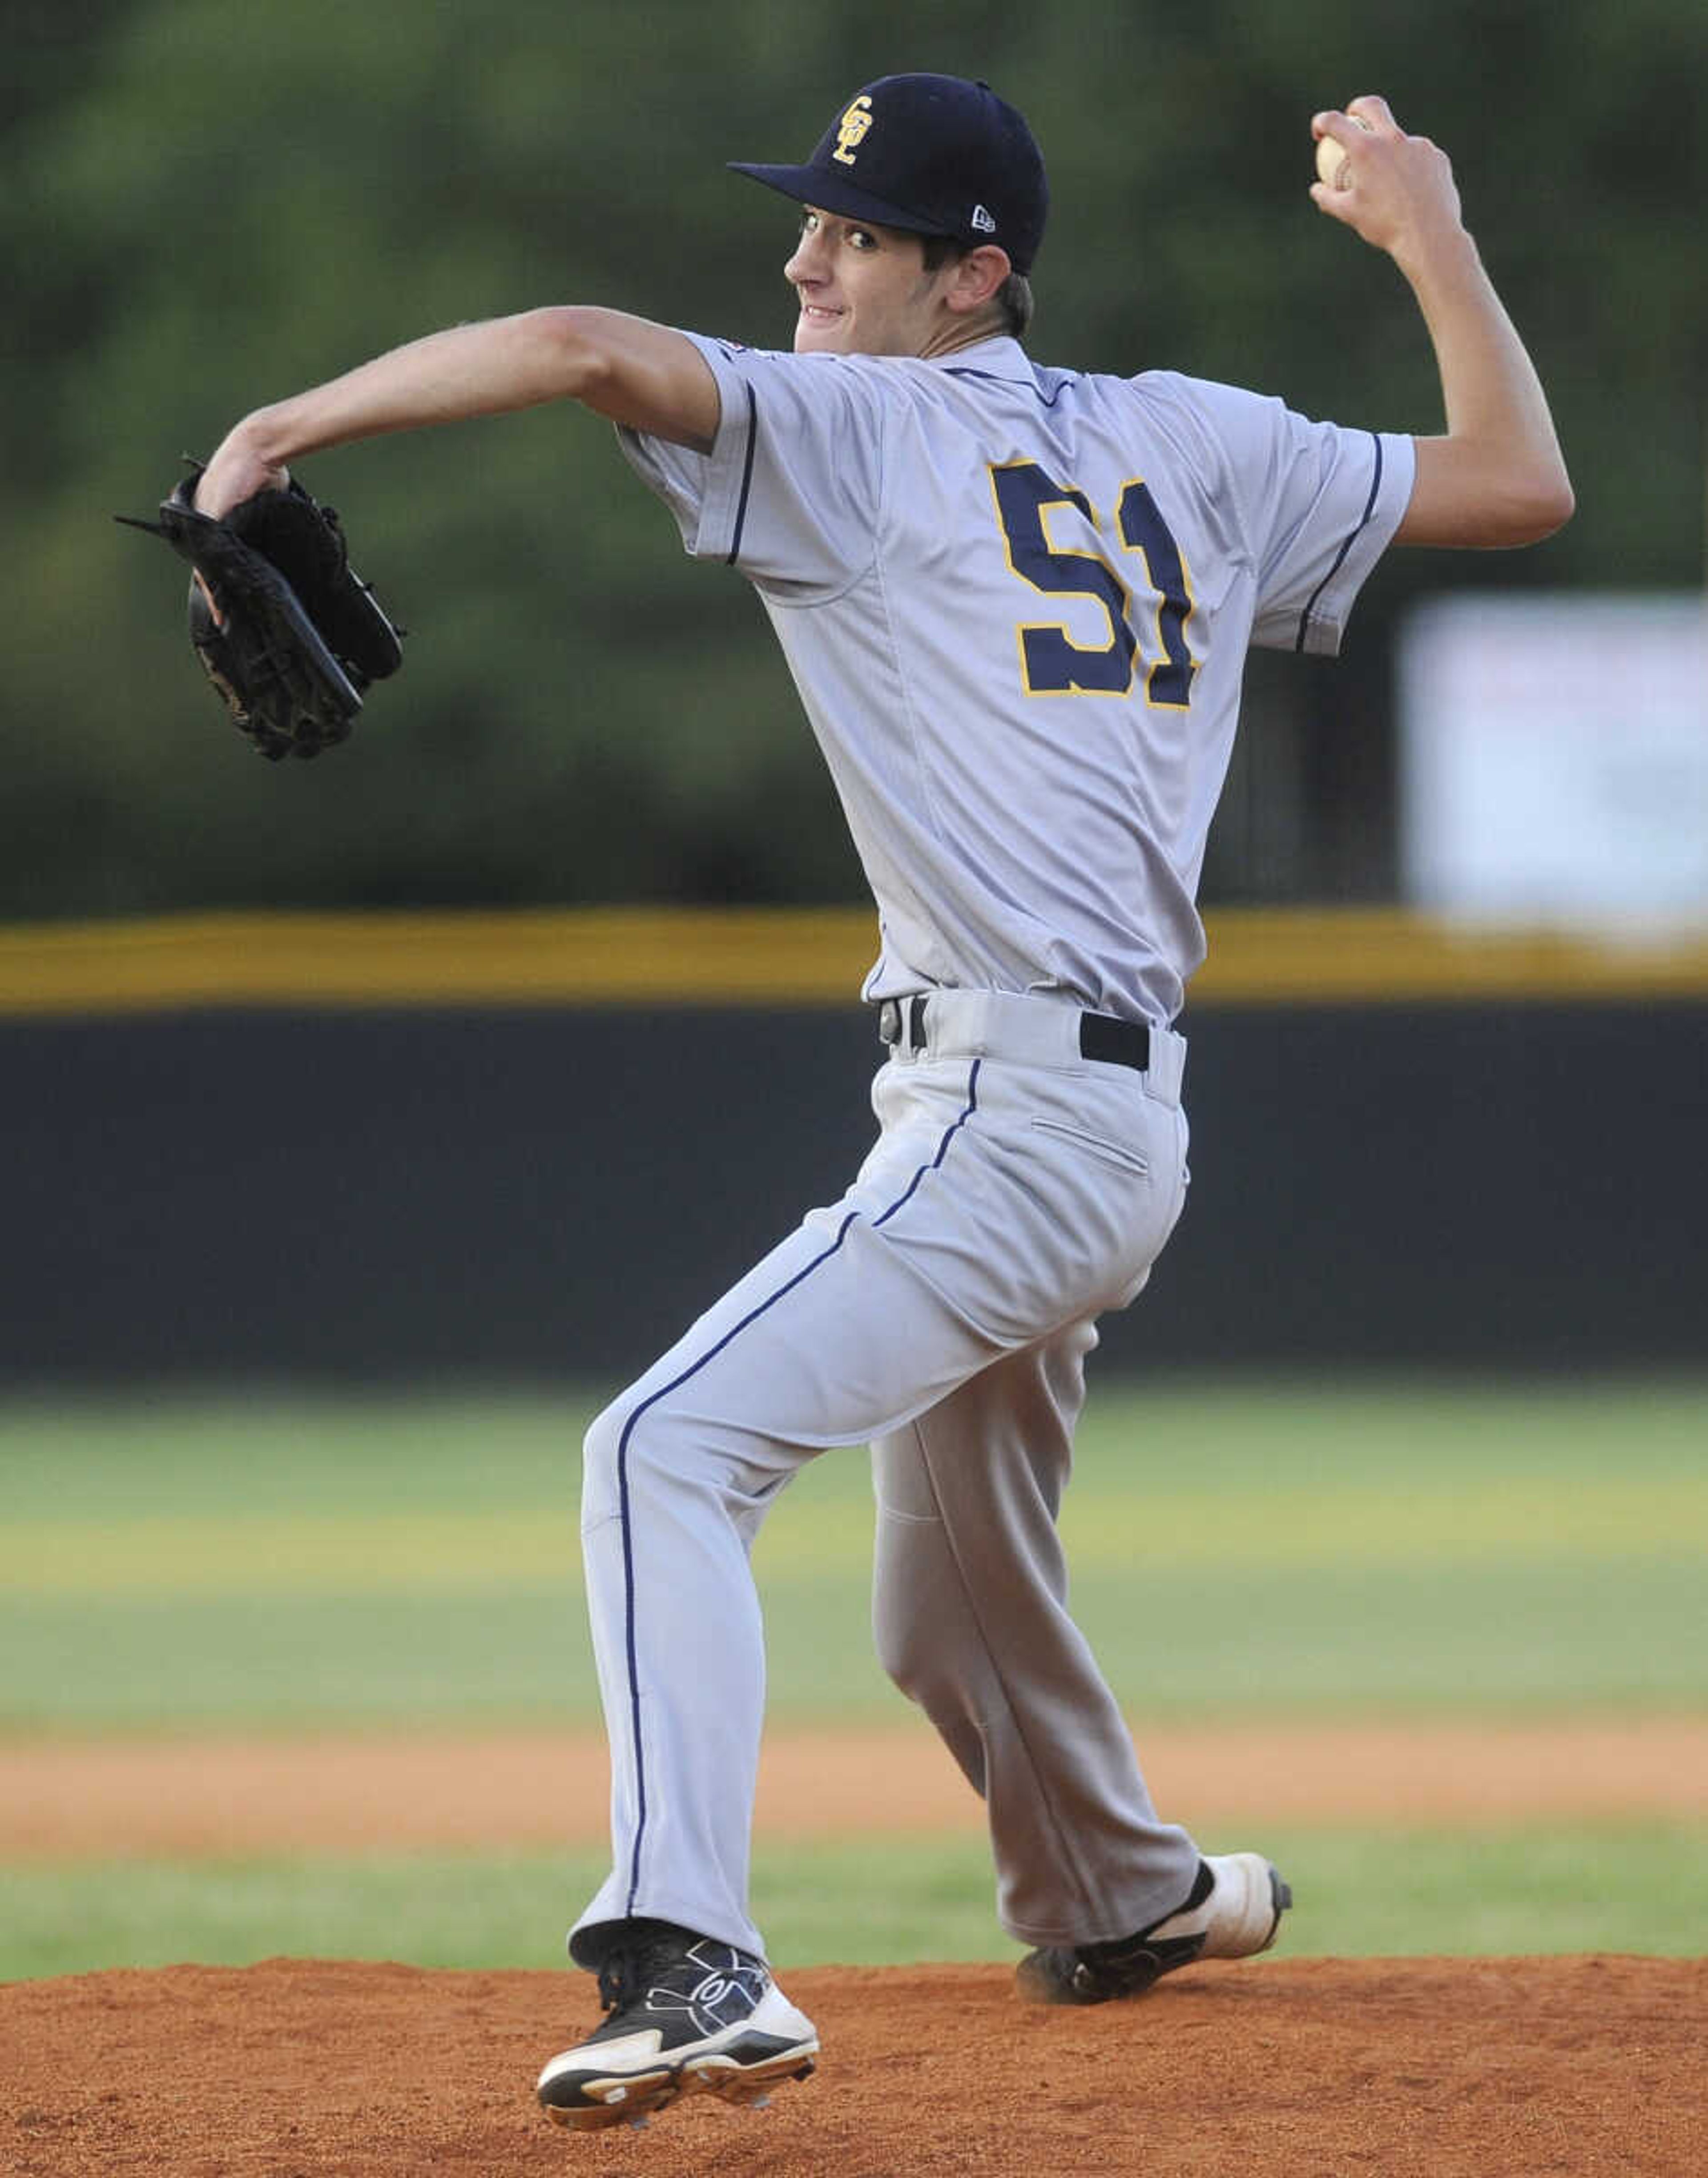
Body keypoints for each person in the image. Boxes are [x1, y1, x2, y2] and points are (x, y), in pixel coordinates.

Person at [194, 73, 1571, 2133]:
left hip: (1009, 1117)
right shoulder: (1196, 435)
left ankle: (686, 1954)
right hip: (1116, 1128)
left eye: (851, 236)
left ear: (971, 277)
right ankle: (1120, 1894)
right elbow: (1519, 483)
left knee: (663, 1445)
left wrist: (278, 430)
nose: (801, 265)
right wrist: (1425, 233)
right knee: (947, 1582)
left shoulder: (852, 432)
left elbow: (579, 351)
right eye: (811, 228)